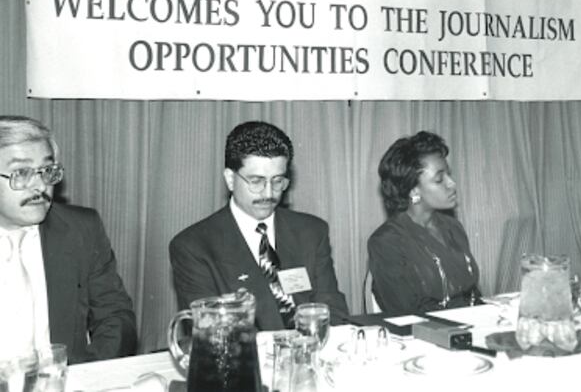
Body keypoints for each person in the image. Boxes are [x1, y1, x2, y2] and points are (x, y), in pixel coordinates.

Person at [169, 121, 348, 330]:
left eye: (278, 181)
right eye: (256, 181)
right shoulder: (193, 246)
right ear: (230, 179)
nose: (269, 193)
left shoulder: (312, 232)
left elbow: (333, 313)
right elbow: (210, 332)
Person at [0, 116, 137, 363]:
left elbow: (115, 316)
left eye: (47, 171)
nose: (40, 186)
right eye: (21, 173)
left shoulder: (80, 229)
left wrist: (86, 375)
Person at [368, 131, 480, 315]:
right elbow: (405, 313)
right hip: (427, 330)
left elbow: (471, 294)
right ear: (413, 190)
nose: (452, 184)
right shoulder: (387, 242)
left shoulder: (453, 227)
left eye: (449, 175)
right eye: (439, 179)